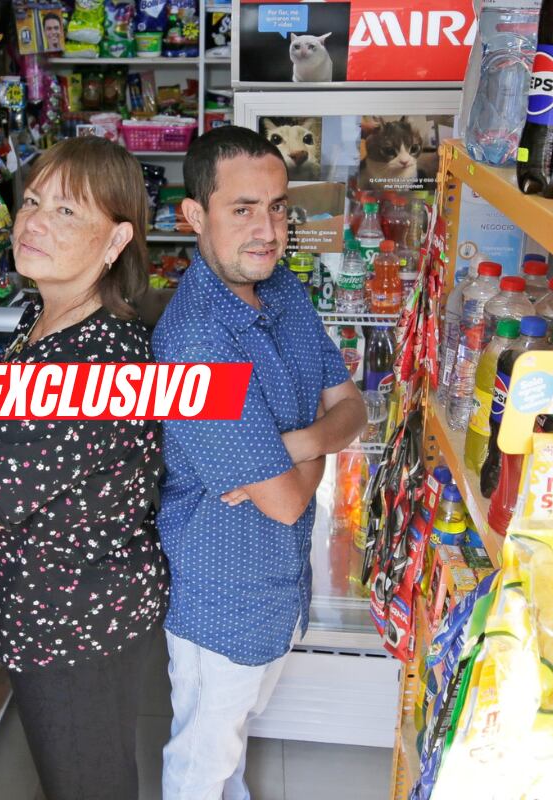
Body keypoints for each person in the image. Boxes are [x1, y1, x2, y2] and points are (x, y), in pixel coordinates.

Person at [0, 136, 168, 800]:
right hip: (70, 611)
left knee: (88, 785)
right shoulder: (47, 314)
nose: (33, 222)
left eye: (66, 211)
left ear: (116, 241)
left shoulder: (87, 367)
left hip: (75, 633)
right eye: (31, 201)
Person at [152, 125, 367, 800]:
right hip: (222, 594)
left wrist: (290, 448)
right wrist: (307, 450)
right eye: (243, 209)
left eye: (277, 207)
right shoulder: (196, 342)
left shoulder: (285, 292)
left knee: (231, 740)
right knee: (202, 761)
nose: (268, 231)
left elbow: (354, 409)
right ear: (195, 216)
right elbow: (286, 501)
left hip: (280, 584)